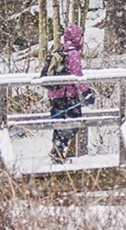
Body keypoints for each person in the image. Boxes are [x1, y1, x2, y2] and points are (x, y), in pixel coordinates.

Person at [44, 24, 91, 163]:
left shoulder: (60, 50)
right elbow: (77, 76)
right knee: (75, 123)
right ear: (78, 37)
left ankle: (57, 153)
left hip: (55, 95)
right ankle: (56, 152)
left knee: (60, 124)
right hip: (68, 95)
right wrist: (86, 92)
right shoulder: (73, 54)